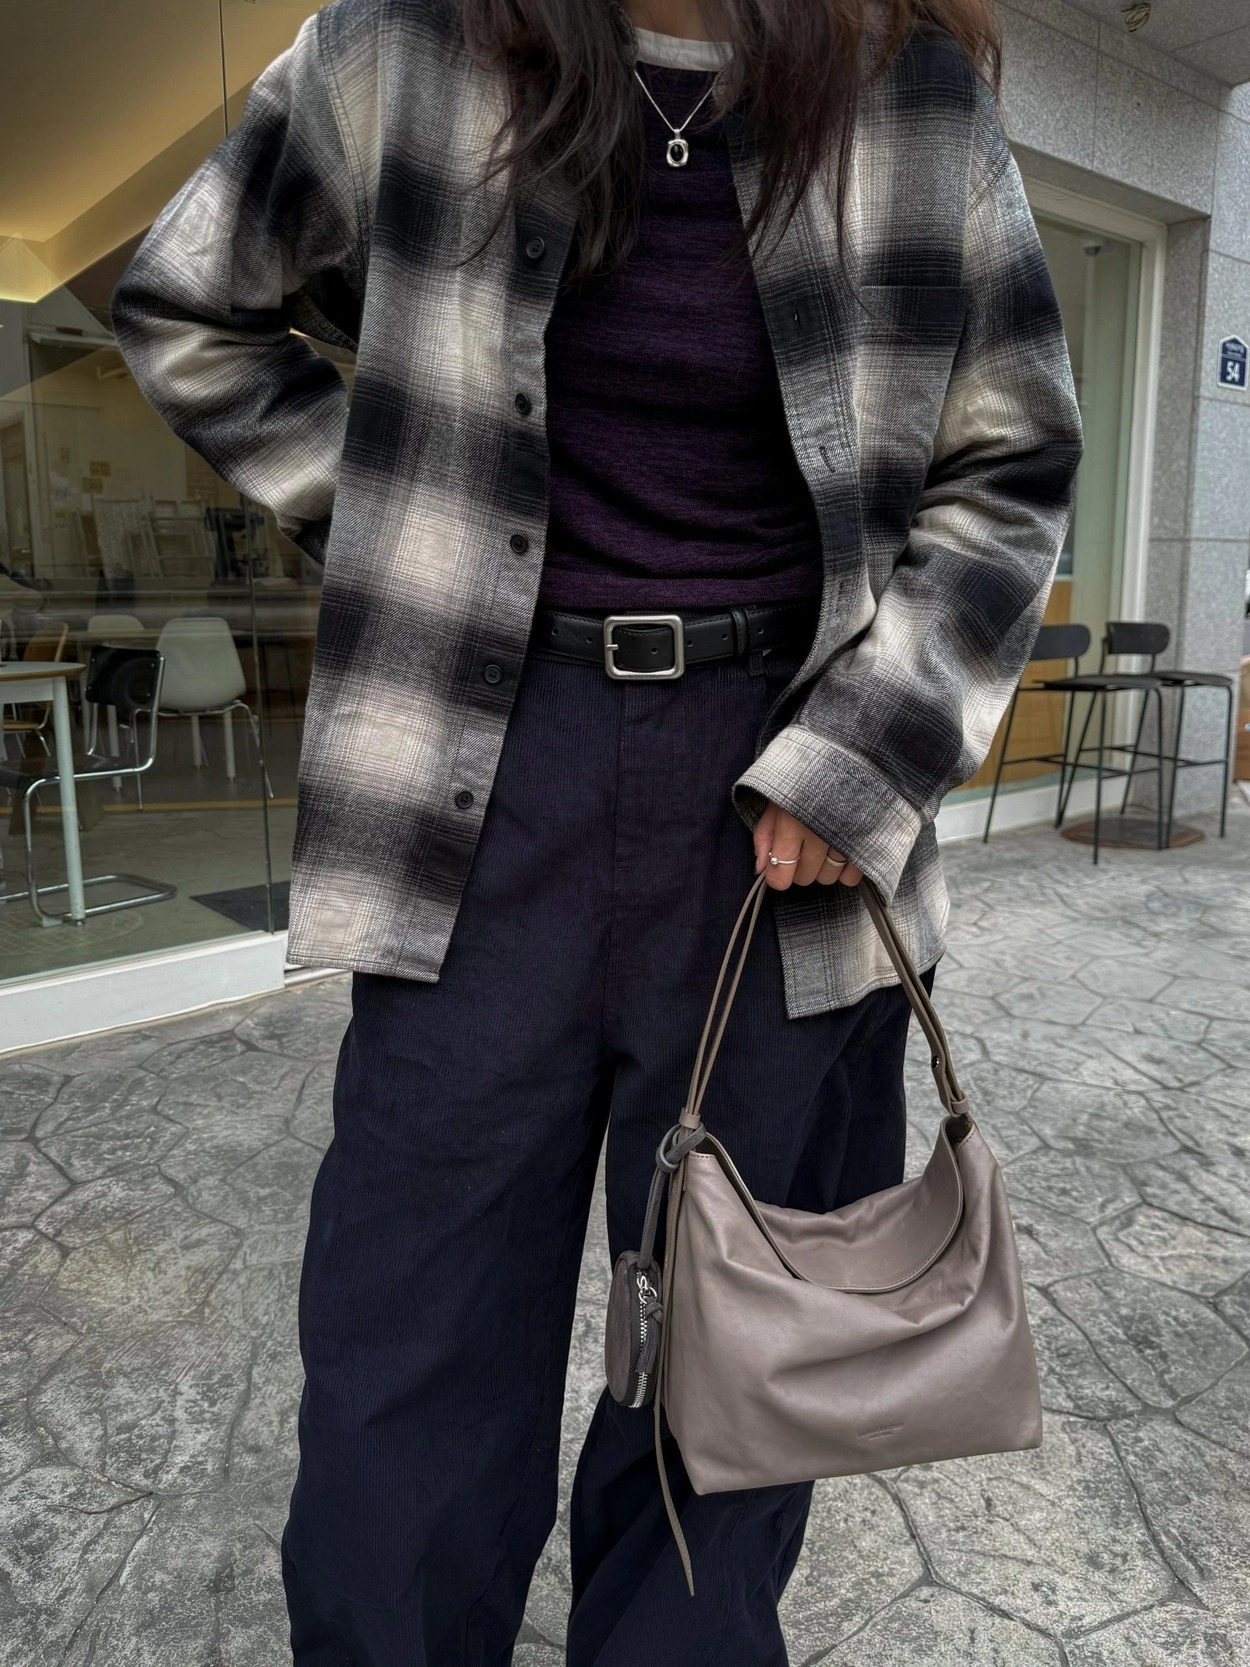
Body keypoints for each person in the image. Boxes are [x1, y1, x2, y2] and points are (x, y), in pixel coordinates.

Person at [111, 0, 1081, 1660]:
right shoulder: (402, 47)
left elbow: (1008, 469)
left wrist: (860, 756)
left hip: (788, 797)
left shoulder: (904, 94)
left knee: (740, 1349)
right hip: (479, 774)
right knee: (411, 1332)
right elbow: (192, 305)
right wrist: (402, 516)